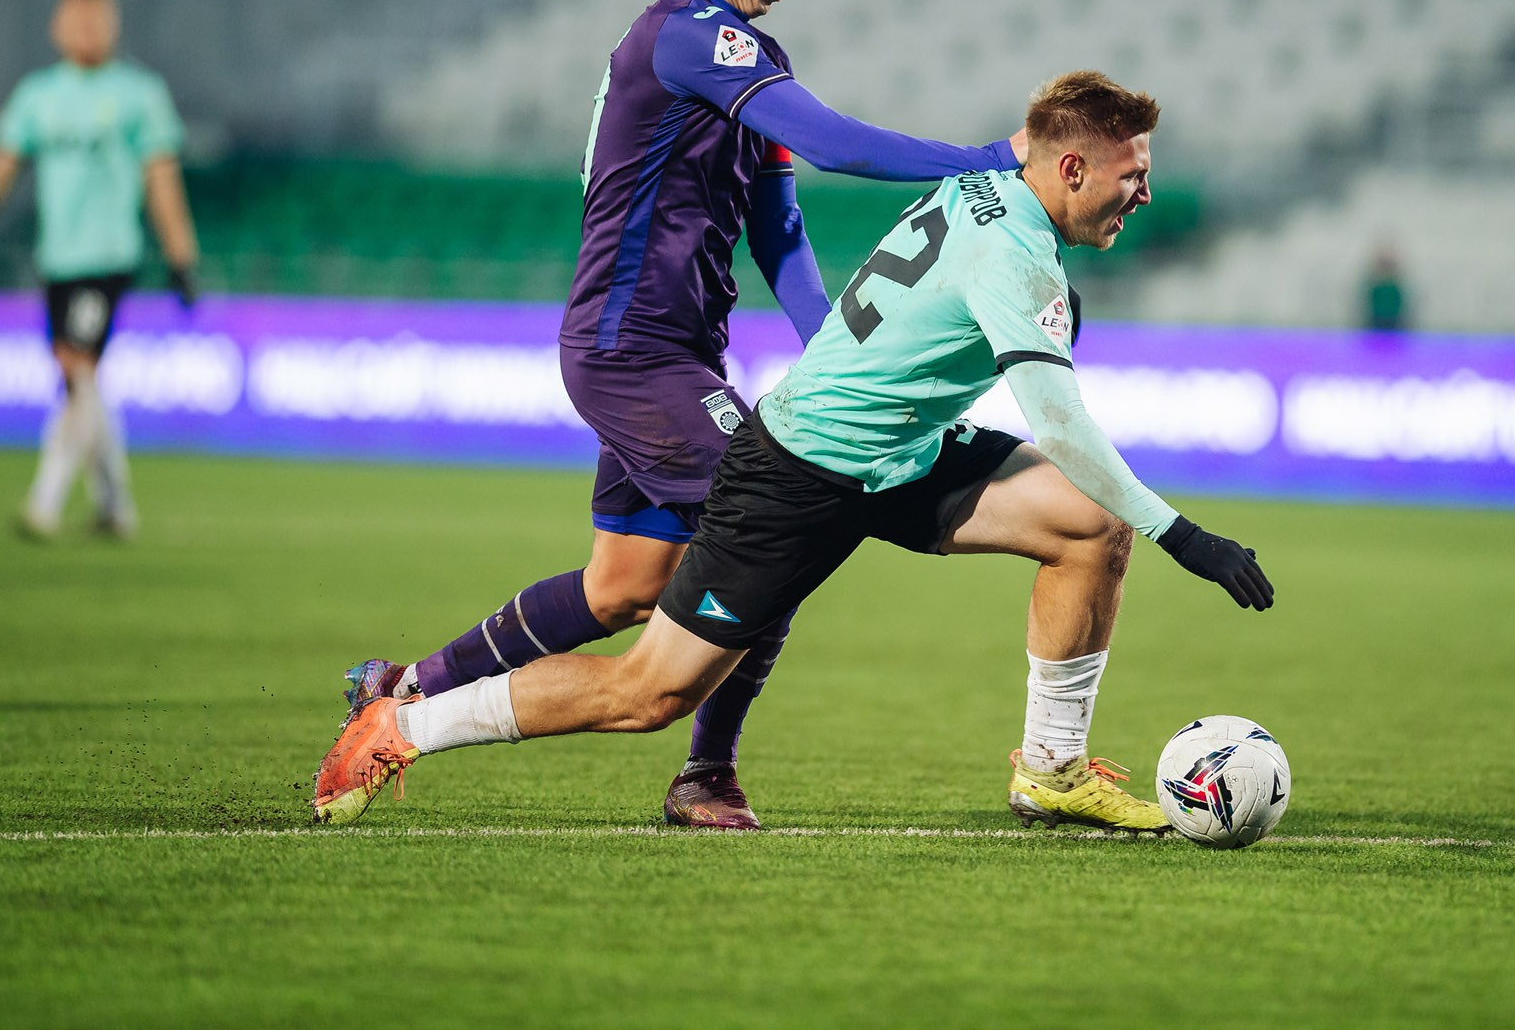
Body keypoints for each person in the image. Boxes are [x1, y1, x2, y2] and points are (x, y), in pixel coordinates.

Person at [312, 70, 1275, 831]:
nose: (1144, 192)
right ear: (1070, 168)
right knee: (647, 689)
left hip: (899, 454)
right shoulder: (1012, 253)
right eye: (1130, 174)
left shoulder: (988, 188)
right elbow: (1059, 420)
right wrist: (1182, 532)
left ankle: (1052, 772)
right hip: (800, 471)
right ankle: (401, 725)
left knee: (1087, 526)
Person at [336, 0, 1030, 831]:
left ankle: (402, 682)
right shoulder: (686, 35)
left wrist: (835, 350)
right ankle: (705, 773)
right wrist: (989, 161)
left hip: (670, 356)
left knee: (621, 584)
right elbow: (835, 142)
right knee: (782, 518)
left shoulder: (752, 61)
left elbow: (777, 226)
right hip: (633, 349)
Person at [0, 0, 199, 540]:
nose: (86, 30)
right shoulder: (38, 95)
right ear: (57, 28)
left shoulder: (139, 94)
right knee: (82, 378)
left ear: (113, 27)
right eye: (76, 20)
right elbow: (2, 166)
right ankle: (115, 505)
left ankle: (44, 503)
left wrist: (180, 255)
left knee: (76, 367)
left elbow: (161, 177)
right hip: (58, 258)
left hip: (109, 255)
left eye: (96, 21)